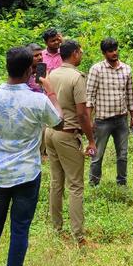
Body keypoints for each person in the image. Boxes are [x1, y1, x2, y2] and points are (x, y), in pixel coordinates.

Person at [0, 46, 62, 266]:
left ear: (6, 68)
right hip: (27, 175)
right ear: (29, 70)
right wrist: (52, 92)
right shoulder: (38, 100)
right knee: (19, 231)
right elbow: (60, 122)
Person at [45, 40, 96, 245]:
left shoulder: (52, 75)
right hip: (67, 133)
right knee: (75, 185)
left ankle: (57, 228)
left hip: (50, 132)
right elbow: (82, 113)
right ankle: (79, 235)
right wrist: (91, 140)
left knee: (56, 182)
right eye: (81, 52)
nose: (82, 54)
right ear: (74, 54)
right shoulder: (76, 77)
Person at [86, 37, 133, 187]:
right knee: (97, 154)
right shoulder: (97, 69)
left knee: (123, 154)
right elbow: (90, 96)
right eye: (110, 51)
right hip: (102, 120)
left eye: (115, 49)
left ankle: (122, 182)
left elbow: (130, 95)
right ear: (104, 53)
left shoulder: (126, 69)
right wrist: (89, 120)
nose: (114, 53)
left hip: (121, 119)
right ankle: (94, 183)